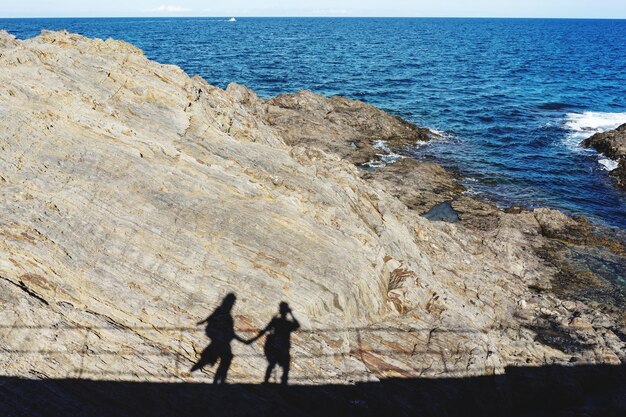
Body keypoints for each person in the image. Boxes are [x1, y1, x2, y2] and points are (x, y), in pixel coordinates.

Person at [190, 293, 247, 384]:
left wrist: (203, 322)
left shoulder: (223, 313)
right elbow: (231, 333)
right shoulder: (225, 314)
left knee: (221, 352)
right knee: (225, 356)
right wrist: (203, 321)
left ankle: (207, 362)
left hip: (215, 334)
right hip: (216, 335)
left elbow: (230, 331)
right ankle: (210, 365)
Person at [248, 302, 300, 385]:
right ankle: (283, 383)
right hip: (283, 345)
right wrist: (291, 313)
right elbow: (297, 325)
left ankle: (266, 381)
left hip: (276, 344)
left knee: (272, 363)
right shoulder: (287, 322)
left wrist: (252, 339)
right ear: (286, 312)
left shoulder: (275, 320)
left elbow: (264, 330)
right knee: (285, 366)